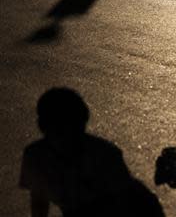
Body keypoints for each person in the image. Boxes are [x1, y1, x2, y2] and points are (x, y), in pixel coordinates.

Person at [20, 87, 164, 217]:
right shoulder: (36, 157)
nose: (68, 139)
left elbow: (122, 203)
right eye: (60, 131)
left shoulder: (104, 155)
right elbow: (39, 201)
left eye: (73, 130)